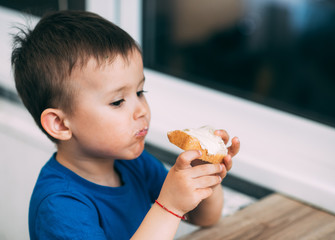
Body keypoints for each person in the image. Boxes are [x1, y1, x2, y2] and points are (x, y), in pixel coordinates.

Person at [11, 10, 240, 240]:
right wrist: (168, 207)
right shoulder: (60, 206)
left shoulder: (134, 163)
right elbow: (171, 209)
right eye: (117, 101)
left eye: (140, 92)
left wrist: (206, 173)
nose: (141, 110)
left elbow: (205, 218)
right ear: (60, 124)